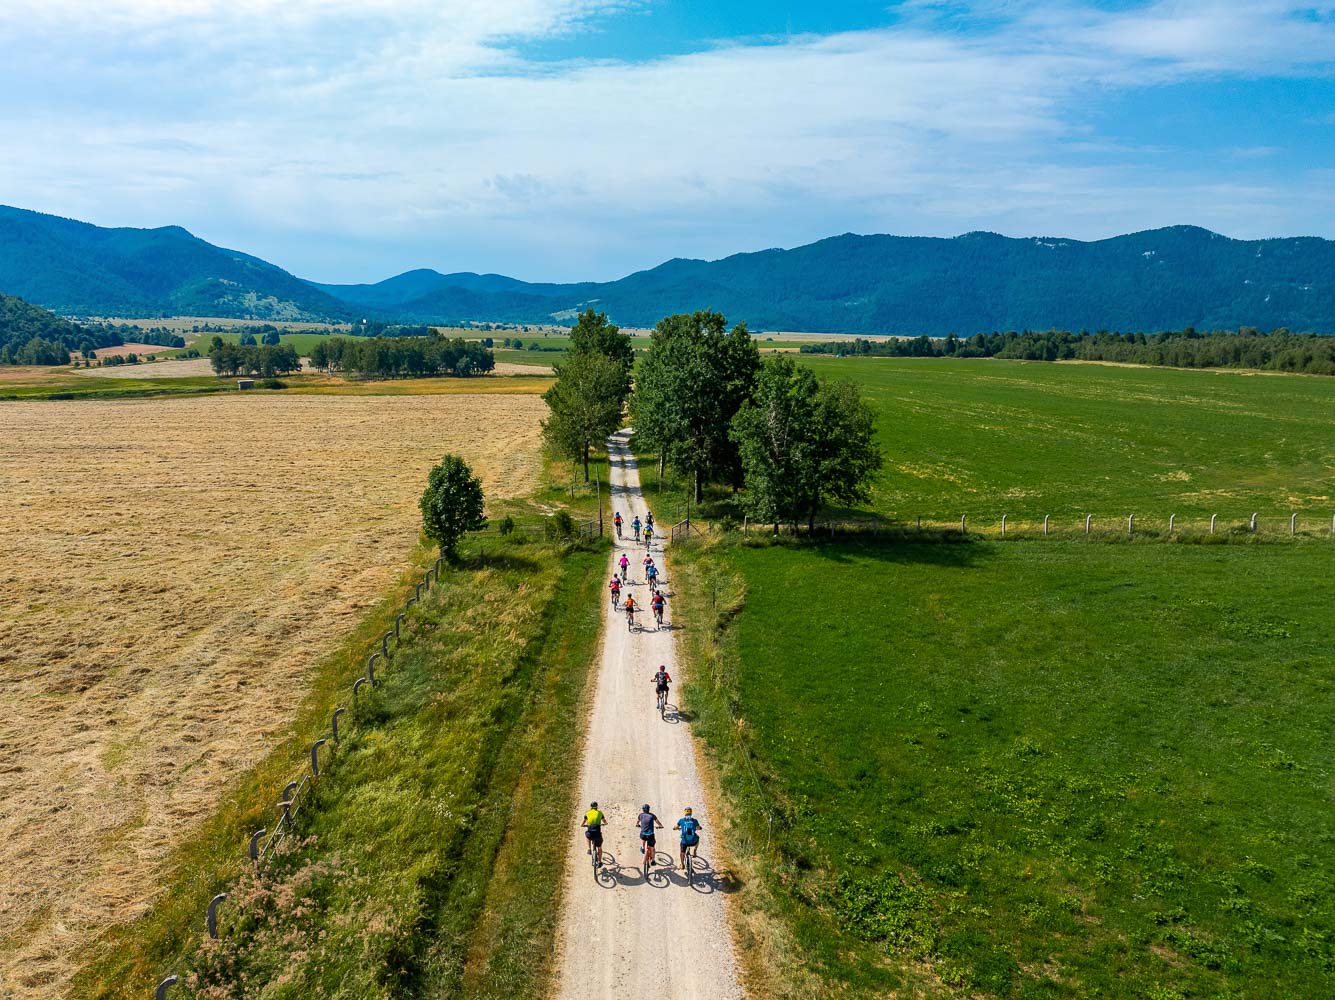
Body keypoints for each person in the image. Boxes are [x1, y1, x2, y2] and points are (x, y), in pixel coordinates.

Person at [582, 801, 606, 867]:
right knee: (600, 848)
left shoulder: (587, 813)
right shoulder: (600, 813)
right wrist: (605, 823)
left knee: (587, 836)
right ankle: (600, 862)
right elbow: (604, 820)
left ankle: (589, 849)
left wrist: (582, 825)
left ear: (591, 807)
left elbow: (584, 821)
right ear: (597, 807)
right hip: (598, 835)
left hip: (590, 834)